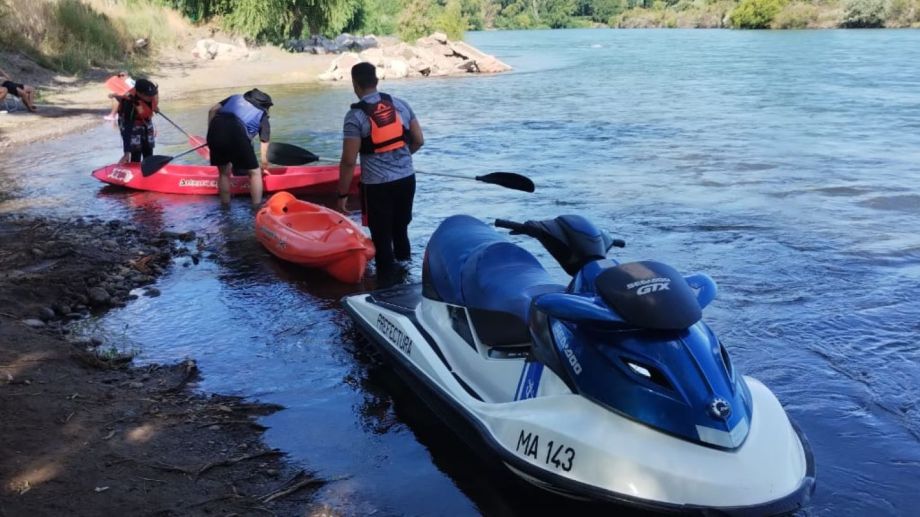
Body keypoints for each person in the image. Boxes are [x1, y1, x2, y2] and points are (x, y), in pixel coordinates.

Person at [337, 62, 424, 280]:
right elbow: (419, 140)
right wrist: (401, 159)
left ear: (355, 84)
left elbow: (348, 160)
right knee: (401, 229)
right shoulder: (401, 105)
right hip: (406, 179)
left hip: (377, 186)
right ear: (376, 81)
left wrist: (342, 194)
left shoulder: (355, 117)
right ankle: (407, 277)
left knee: (382, 237)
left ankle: (386, 288)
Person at [206, 89, 273, 206]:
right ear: (265, 106)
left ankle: (225, 206)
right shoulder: (262, 114)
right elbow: (264, 141)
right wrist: (264, 165)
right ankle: (256, 208)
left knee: (223, 173)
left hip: (215, 129)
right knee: (255, 172)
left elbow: (212, 110)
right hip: (237, 132)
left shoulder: (234, 98)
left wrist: (211, 132)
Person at [116, 78, 159, 164]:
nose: (152, 97)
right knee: (136, 151)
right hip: (132, 124)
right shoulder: (129, 104)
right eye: (148, 95)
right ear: (139, 93)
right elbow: (127, 130)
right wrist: (126, 153)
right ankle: (135, 168)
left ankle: (149, 169)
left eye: (152, 94)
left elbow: (152, 101)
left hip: (146, 121)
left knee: (148, 149)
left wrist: (154, 107)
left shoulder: (151, 94)